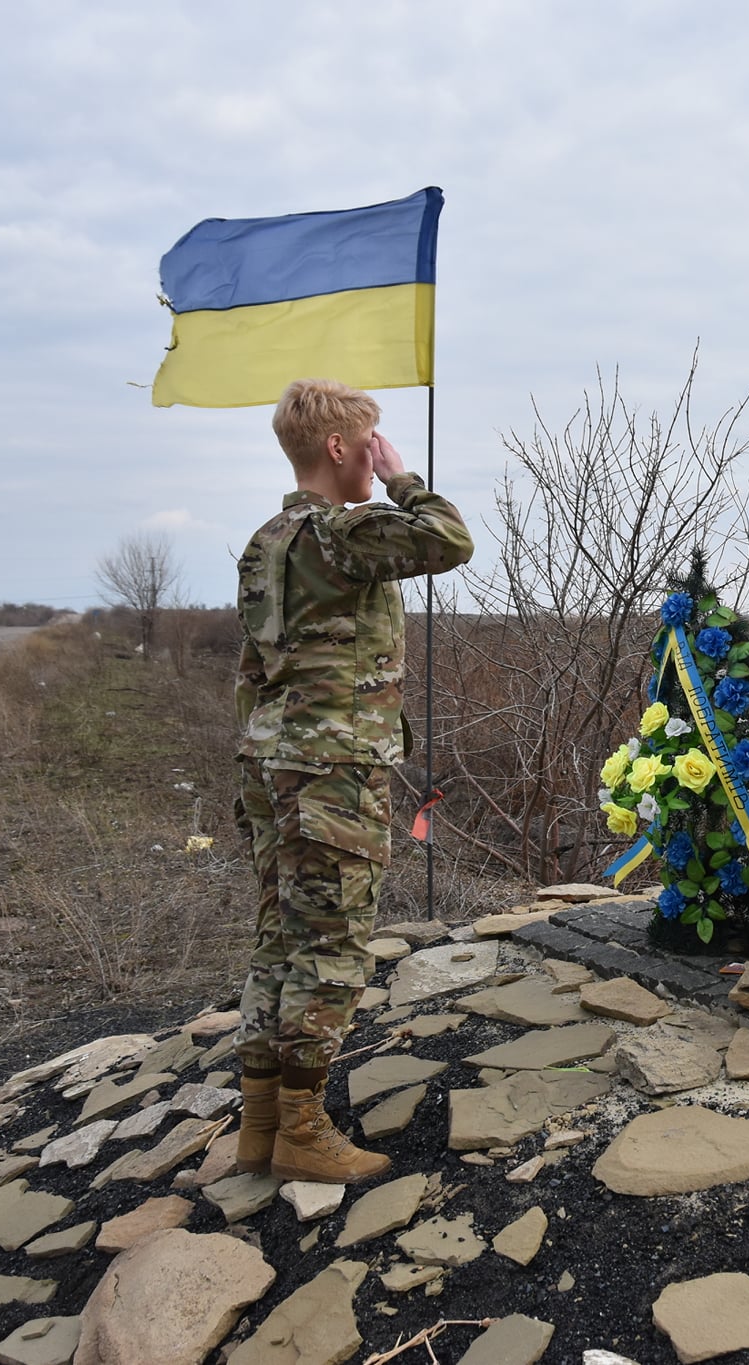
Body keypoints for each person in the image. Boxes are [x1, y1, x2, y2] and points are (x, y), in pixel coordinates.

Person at [229, 377, 473, 1184]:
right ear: (340, 448)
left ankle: (260, 1128)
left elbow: (251, 670)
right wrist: (404, 478)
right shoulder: (343, 531)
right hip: (333, 772)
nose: (374, 455)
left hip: (274, 764)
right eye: (367, 442)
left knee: (279, 942)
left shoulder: (265, 540)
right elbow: (447, 541)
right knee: (332, 946)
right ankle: (302, 1130)